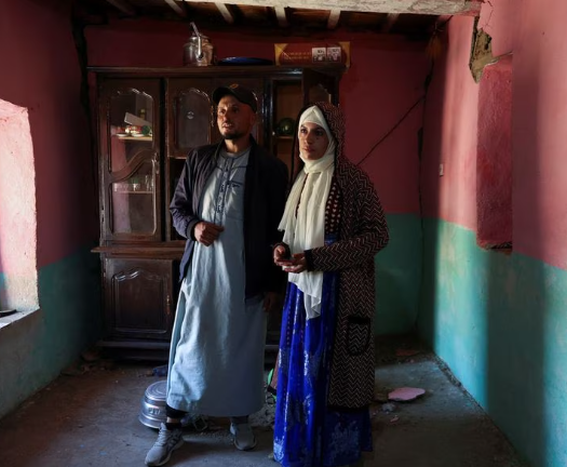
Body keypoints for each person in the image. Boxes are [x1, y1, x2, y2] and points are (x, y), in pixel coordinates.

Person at [145, 84, 288, 467]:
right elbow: (177, 209)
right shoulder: (199, 159)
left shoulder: (272, 169)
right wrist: (192, 227)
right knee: (190, 348)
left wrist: (276, 284)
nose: (226, 115)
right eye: (222, 109)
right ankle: (172, 425)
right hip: (202, 277)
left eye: (235, 108)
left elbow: (282, 231)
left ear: (252, 117)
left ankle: (239, 420)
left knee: (241, 351)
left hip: (246, 280)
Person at [271, 102, 389, 467]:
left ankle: (333, 455)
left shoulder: (353, 181)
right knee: (305, 369)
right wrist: (281, 250)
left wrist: (320, 258)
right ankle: (301, 449)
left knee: (335, 375)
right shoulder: (303, 178)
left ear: (334, 137)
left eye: (318, 132)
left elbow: (377, 236)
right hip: (302, 288)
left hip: (341, 293)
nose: (307, 139)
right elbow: (291, 233)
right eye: (303, 131)